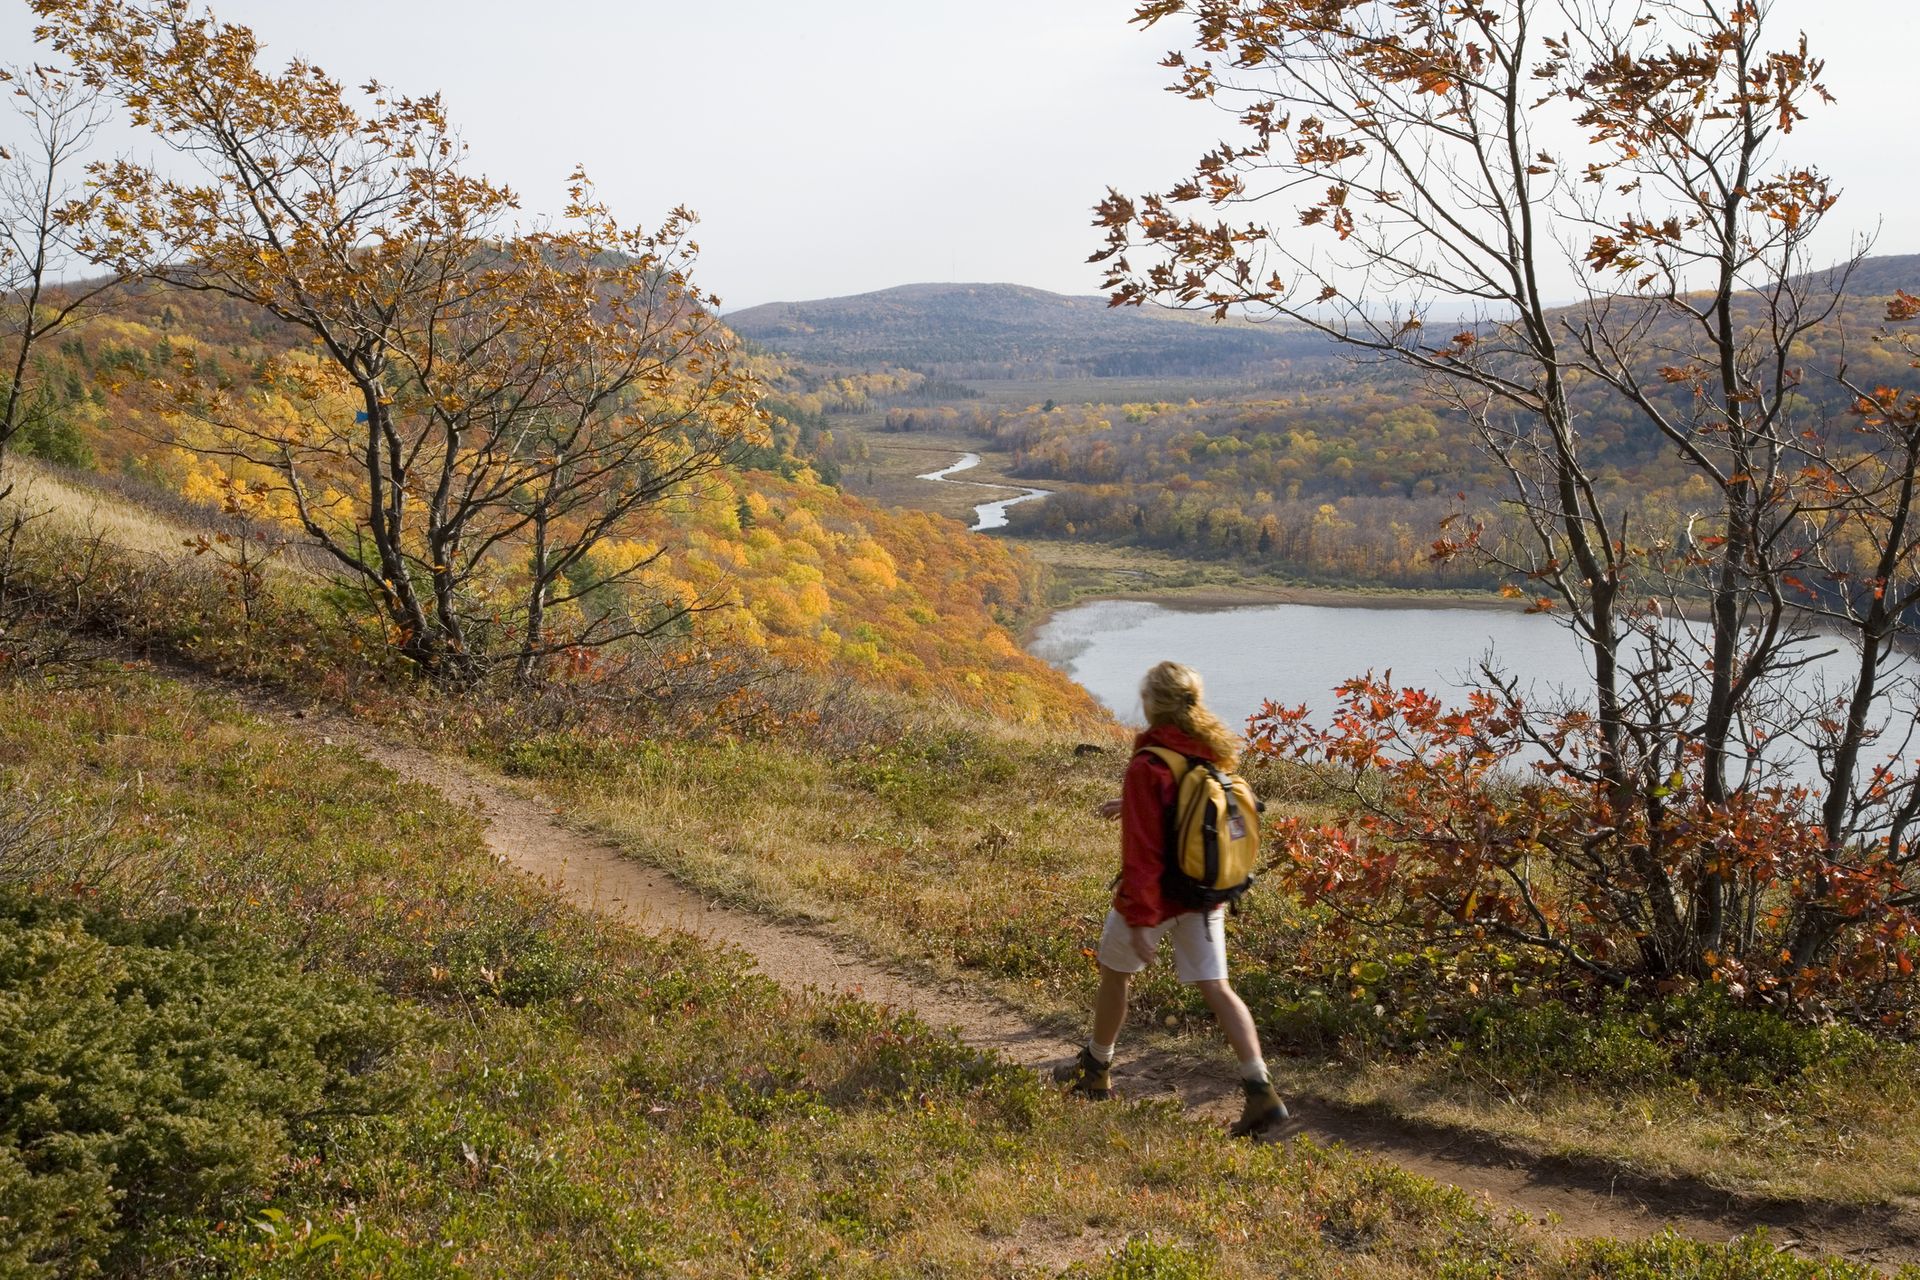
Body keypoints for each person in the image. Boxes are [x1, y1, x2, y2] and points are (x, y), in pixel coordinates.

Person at [1054, 659, 1291, 1138]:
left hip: (1158, 897)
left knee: (1114, 974)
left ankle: (1096, 1071)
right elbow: (1196, 806)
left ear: (1150, 704)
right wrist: (1131, 803)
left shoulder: (1148, 763)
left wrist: (1142, 919)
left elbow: (1142, 853)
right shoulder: (1210, 749)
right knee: (1219, 988)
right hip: (1205, 897)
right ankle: (1261, 1090)